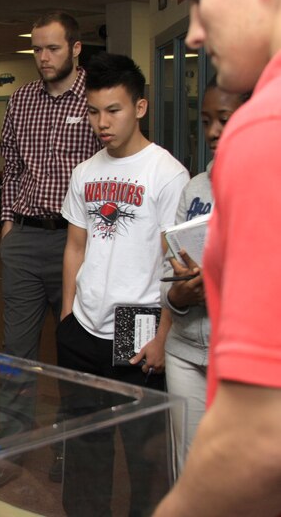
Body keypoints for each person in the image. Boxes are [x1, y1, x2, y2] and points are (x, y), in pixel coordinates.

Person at [154, 0, 281, 515]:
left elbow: (256, 431)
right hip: (188, 343)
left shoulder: (260, 134)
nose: (193, 34)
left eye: (206, 4)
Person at [0, 11, 102, 491]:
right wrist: (8, 225)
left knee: (75, 350)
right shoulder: (22, 98)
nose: (43, 57)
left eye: (52, 48)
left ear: (75, 48)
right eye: (37, 49)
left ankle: (71, 452)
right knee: (17, 355)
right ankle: (11, 455)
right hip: (25, 239)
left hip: (78, 241)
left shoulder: (97, 98)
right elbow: (11, 166)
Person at [57, 52, 188, 515]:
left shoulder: (167, 174)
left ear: (140, 108)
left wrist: (163, 335)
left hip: (139, 322)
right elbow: (75, 245)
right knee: (85, 446)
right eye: (93, 111)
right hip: (84, 325)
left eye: (113, 110)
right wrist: (67, 316)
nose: (101, 122)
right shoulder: (86, 171)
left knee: (144, 453)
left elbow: (178, 266)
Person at [161, 79, 248, 474]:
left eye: (224, 120)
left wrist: (216, 286)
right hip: (185, 353)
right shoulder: (195, 187)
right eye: (207, 120)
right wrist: (180, 296)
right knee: (190, 470)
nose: (212, 131)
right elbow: (168, 275)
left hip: (243, 359)